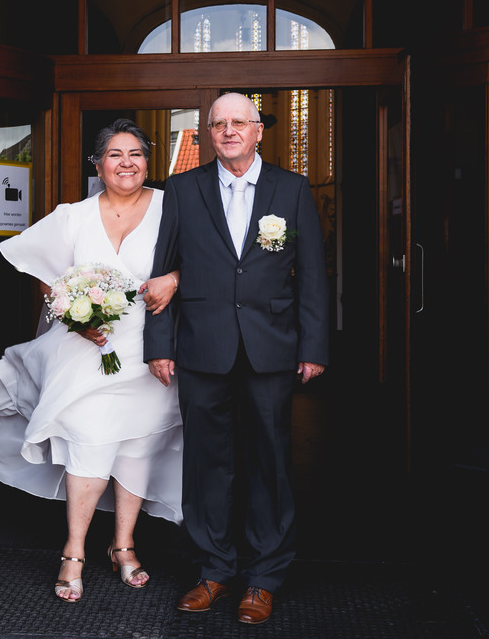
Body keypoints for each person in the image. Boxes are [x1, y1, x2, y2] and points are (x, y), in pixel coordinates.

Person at [0, 119, 182, 603]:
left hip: (149, 351)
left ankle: (124, 544)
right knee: (88, 444)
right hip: (86, 351)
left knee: (138, 446)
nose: (126, 163)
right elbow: (45, 276)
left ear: (148, 162)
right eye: (115, 154)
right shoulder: (72, 216)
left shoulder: (171, 207)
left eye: (136, 154)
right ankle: (74, 549)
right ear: (98, 165)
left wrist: (176, 278)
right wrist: (73, 315)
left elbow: (203, 260)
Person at [143, 92, 329, 625]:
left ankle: (265, 577)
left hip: (271, 346)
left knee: (270, 462)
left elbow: (312, 273)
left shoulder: (291, 189)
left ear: (258, 130)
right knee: (207, 463)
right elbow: (163, 270)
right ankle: (214, 570)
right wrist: (160, 345)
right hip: (202, 346)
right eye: (219, 124)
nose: (229, 131)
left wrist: (313, 346)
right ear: (208, 133)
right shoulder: (183, 189)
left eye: (239, 123)